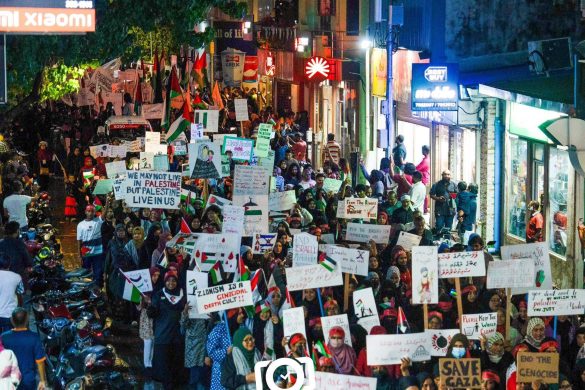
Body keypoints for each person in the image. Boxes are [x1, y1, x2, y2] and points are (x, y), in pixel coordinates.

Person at [148, 271, 186, 389]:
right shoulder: (158, 295)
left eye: (174, 280)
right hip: (163, 338)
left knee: (176, 368)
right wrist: (149, 306)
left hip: (178, 338)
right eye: (168, 280)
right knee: (165, 371)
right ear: (164, 282)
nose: (171, 283)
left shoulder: (184, 295)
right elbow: (152, 314)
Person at [1, 308, 47, 390]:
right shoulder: (34, 337)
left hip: (9, 379)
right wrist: (43, 380)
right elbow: (40, 362)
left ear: (11, 320)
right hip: (28, 379)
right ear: (27, 320)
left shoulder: (4, 337)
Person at [77, 204, 107, 287]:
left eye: (92, 211)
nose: (90, 213)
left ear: (94, 213)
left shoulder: (98, 221)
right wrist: (79, 255)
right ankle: (85, 289)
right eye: (88, 211)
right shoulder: (80, 225)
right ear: (85, 212)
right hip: (86, 252)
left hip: (98, 253)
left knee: (98, 273)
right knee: (85, 273)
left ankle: (98, 290)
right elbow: (79, 241)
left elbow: (104, 213)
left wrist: (107, 202)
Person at [0, 255, 23, 334]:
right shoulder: (17, 277)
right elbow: (20, 293)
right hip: (9, 314)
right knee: (7, 339)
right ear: (9, 264)